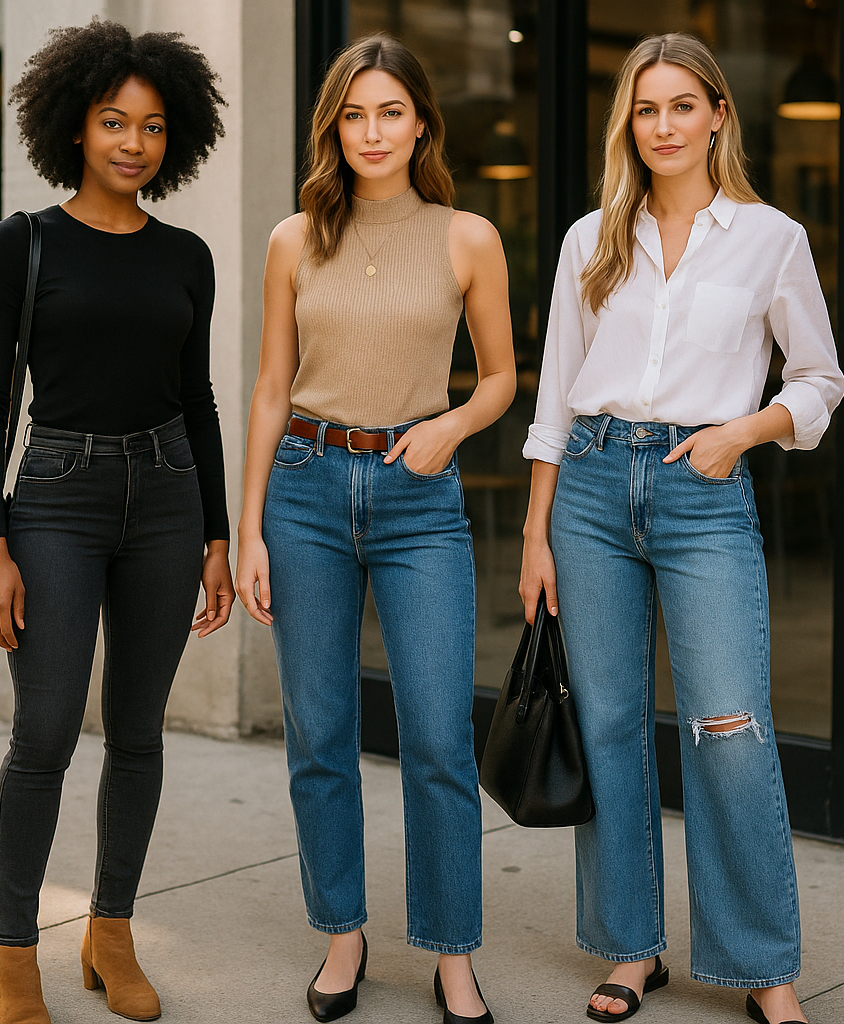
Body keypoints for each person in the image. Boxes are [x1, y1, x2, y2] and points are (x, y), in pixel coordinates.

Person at [518, 33, 844, 1024]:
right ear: (630, 124)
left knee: (729, 730)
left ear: (717, 116)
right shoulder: (591, 238)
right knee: (610, 725)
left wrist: (742, 432)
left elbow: (820, 378)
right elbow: (553, 401)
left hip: (703, 490)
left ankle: (761, 966)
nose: (662, 125)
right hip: (586, 490)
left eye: (680, 106)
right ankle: (629, 950)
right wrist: (534, 534)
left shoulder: (770, 238)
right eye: (644, 109)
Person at [234, 33, 516, 1024]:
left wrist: (449, 424)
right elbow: (270, 387)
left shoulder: (467, 235)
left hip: (416, 494)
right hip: (305, 489)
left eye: (389, 111)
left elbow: (501, 378)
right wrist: (251, 527)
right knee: (321, 733)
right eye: (352, 115)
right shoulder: (291, 239)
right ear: (332, 130)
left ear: (422, 122)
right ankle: (343, 933)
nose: (371, 131)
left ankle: (451, 953)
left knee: (440, 737)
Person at [0, 20, 232, 1024]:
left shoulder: (188, 257)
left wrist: (212, 532)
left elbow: (197, 398)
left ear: (177, 138)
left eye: (153, 126)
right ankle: (14, 951)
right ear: (74, 126)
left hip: (165, 495)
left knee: (138, 731)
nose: (133, 142)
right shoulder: (20, 245)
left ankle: (110, 932)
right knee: (41, 732)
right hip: (56, 500)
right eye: (114, 121)